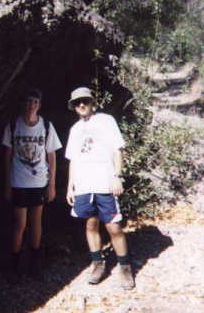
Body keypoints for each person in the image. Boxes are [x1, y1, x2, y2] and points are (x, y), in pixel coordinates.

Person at [65, 86, 135, 290]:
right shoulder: (75, 130)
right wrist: (70, 187)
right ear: (73, 107)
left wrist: (117, 176)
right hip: (84, 185)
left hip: (105, 182)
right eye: (77, 103)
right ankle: (97, 263)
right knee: (90, 225)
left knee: (113, 226)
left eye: (84, 101)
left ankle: (125, 266)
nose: (81, 105)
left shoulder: (106, 121)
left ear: (92, 102)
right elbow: (73, 160)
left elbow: (117, 150)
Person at [2, 88, 62, 274]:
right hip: (19, 182)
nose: (31, 106)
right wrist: (7, 185)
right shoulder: (13, 125)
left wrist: (52, 185)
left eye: (35, 102)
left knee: (36, 223)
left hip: (39, 182)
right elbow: (7, 156)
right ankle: (15, 263)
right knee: (19, 224)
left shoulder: (46, 125)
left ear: (39, 105)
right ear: (23, 103)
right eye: (28, 101)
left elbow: (51, 156)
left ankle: (35, 262)